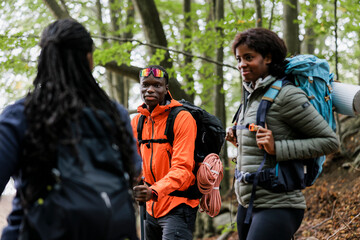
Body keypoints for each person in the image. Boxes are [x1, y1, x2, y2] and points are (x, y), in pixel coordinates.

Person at [0, 19, 141, 239]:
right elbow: (134, 170)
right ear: (89, 59)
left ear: (45, 60)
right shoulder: (115, 114)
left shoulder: (22, 114)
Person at [226, 28, 339, 240]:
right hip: (247, 204)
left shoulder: (287, 95)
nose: (241, 64)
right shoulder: (252, 97)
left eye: (248, 57)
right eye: (239, 58)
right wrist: (239, 140)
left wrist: (277, 147)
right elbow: (261, 146)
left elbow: (329, 142)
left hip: (278, 204)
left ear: (268, 57)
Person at [131, 65, 199, 240]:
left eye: (157, 85)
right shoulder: (137, 122)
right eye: (145, 84)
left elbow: (183, 168)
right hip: (149, 208)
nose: (150, 90)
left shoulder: (182, 118)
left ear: (166, 89)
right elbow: (132, 163)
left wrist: (154, 191)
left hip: (178, 206)